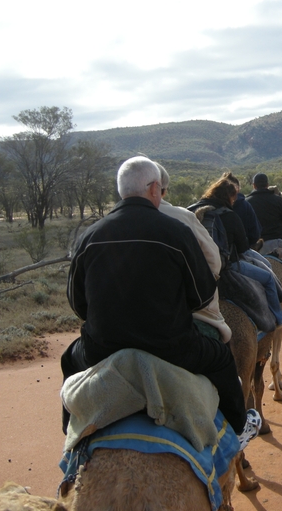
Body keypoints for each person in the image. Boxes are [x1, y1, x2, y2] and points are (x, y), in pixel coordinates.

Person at [64, 156, 259, 448]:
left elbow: (78, 305)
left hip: (101, 348)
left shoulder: (89, 236)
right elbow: (201, 297)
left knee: (68, 359)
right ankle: (239, 429)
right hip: (171, 347)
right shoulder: (176, 231)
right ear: (155, 188)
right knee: (221, 358)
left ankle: (71, 434)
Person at [192, 176, 282, 329]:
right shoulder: (229, 215)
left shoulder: (191, 211)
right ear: (230, 196)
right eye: (234, 197)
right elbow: (243, 247)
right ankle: (278, 318)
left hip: (194, 268)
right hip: (227, 266)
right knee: (268, 278)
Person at [155, 163, 232, 344]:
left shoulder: (101, 229)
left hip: (117, 322)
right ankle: (276, 316)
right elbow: (214, 261)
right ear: (161, 189)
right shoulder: (183, 217)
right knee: (267, 279)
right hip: (186, 313)